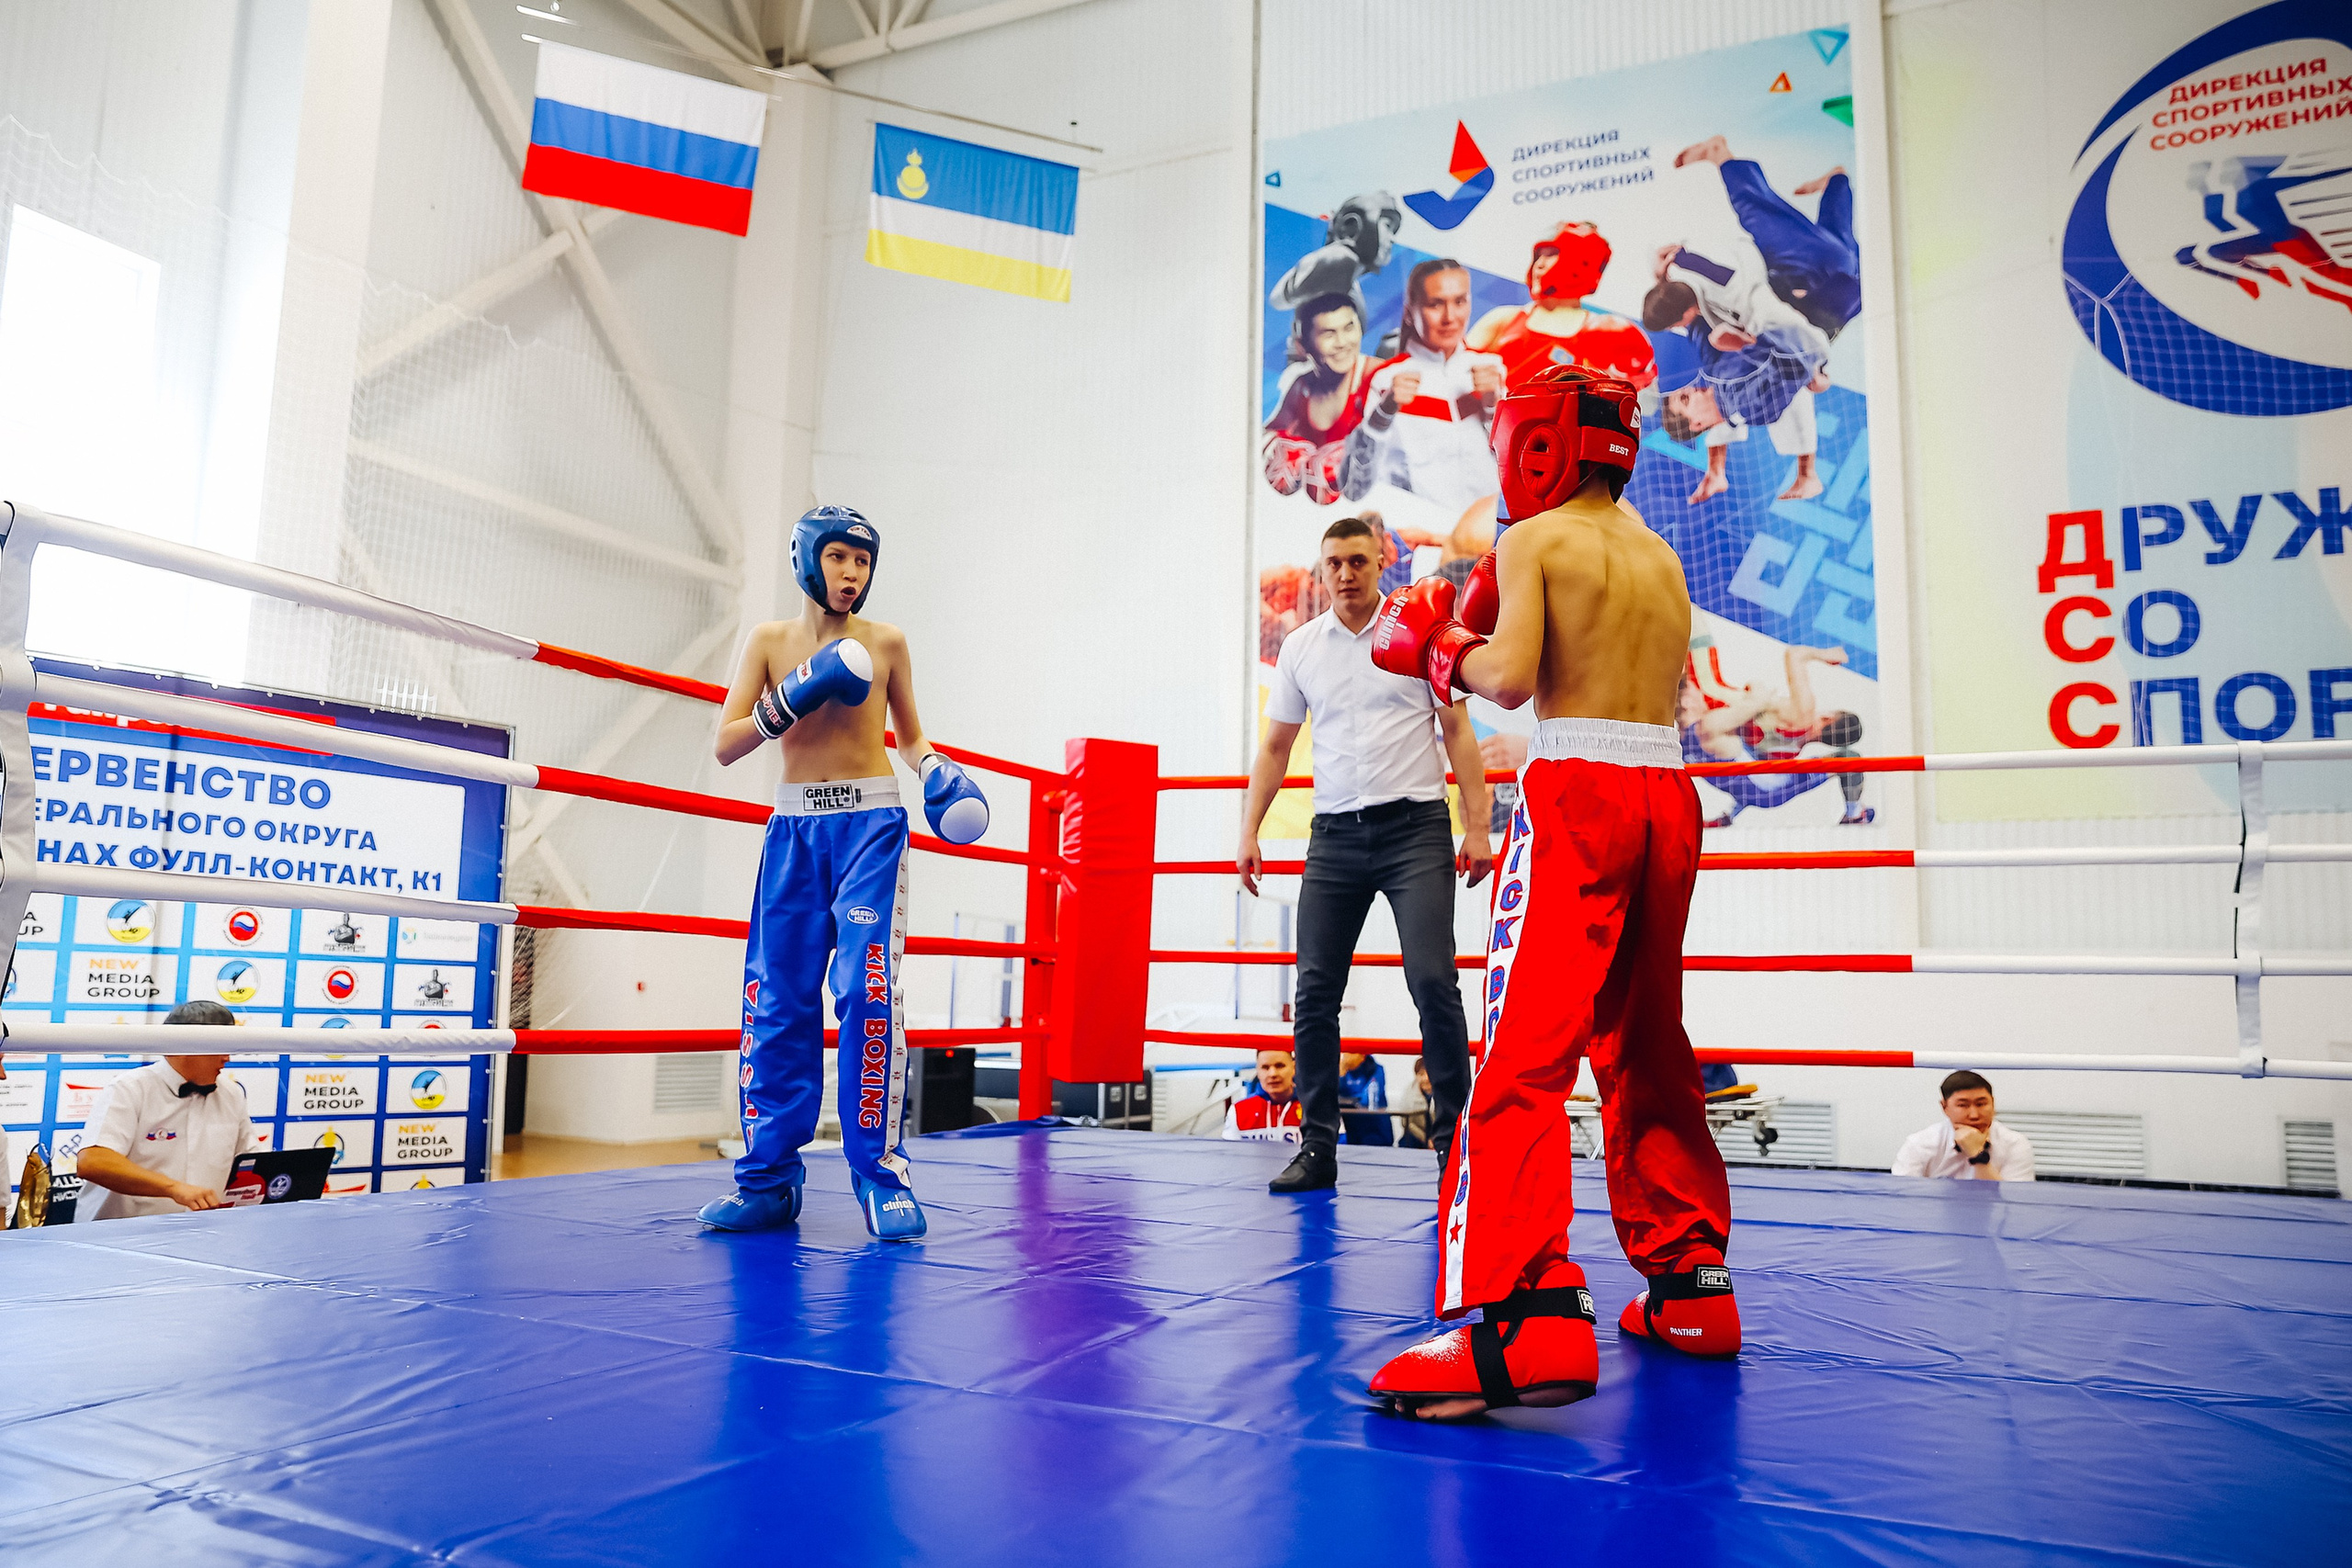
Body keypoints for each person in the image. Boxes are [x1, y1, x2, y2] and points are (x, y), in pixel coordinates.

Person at [1365, 363, 1737, 1420]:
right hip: (1666, 791)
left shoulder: (1531, 540)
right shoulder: (1658, 554)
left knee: (1524, 1055)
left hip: (1577, 788)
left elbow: (1510, 678)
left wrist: (1434, 646)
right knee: (1645, 1039)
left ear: (1534, 444)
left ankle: (1521, 1320)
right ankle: (1689, 1285)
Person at [699, 505, 990, 1243]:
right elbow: (726, 744)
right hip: (795, 830)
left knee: (867, 989)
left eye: (863, 561)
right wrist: (790, 695)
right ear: (806, 558)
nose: (851, 574)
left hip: (870, 826)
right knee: (777, 1000)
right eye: (839, 557)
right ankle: (767, 1181)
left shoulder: (887, 642)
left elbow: (912, 734)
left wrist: (936, 771)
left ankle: (880, 1175)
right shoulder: (768, 641)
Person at [1239, 515, 1491, 1196]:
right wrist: (1249, 830)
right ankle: (1317, 1146)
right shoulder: (1300, 648)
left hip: (1416, 832)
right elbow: (1273, 749)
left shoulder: (1420, 636)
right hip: (1336, 836)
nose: (1346, 573)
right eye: (1334, 563)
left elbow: (1458, 731)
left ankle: (1454, 1146)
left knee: (1435, 982)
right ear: (1320, 572)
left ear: (1382, 562)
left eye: (1358, 560)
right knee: (1314, 992)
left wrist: (1477, 826)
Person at [74, 999, 263, 1221]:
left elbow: (251, 1162)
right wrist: (173, 1188)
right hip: (119, 1239)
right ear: (182, 1047)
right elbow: (93, 1162)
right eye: (219, 1047)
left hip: (203, 1235)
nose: (227, 1058)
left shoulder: (231, 1094)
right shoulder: (129, 1088)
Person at [1344, 259, 1508, 513]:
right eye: (1435, 304)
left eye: (1459, 302)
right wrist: (1384, 413)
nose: (1449, 318)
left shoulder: (1493, 369)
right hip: (1415, 532)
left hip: (1486, 532)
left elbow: (1514, 465)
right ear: (1410, 312)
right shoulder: (1385, 379)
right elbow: (1356, 486)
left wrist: (1493, 408)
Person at [1672, 136, 1860, 340]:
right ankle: (1717, 153)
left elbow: (1854, 289)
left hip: (1845, 264)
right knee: (1756, 210)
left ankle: (1837, 181)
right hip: (1811, 267)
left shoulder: (1800, 345)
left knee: (1836, 236)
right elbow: (1728, 279)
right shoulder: (1777, 327)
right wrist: (1681, 257)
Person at [1679, 642, 1872, 827]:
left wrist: (1826, 655)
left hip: (1752, 781)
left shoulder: (1803, 712)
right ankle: (1854, 813)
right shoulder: (1793, 750)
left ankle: (1729, 815)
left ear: (1829, 717)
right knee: (1848, 759)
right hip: (1764, 790)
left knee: (1847, 759)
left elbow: (1794, 654)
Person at [1654, 319, 1832, 505]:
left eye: (1684, 391)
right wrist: (1744, 343)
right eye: (1685, 398)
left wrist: (1674, 313)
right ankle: (1807, 476)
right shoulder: (1746, 405)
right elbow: (1795, 366)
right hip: (1809, 323)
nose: (1690, 389)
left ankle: (1717, 474)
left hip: (1780, 314)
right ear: (1697, 423)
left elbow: (1699, 330)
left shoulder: (1716, 377)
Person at [1466, 222, 1656, 390]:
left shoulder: (1614, 332)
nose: (1539, 265)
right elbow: (1451, 374)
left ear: (1580, 262)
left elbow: (1644, 408)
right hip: (1501, 427)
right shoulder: (1503, 319)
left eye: (1551, 255)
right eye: (1538, 256)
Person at [1263, 294, 1379, 505]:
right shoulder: (1302, 386)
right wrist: (1277, 452)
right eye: (1329, 334)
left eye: (1349, 328)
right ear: (1302, 347)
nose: (1342, 343)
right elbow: (1269, 433)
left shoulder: (1380, 378)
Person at [1894, 1071, 2037, 1182]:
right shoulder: (1920, 1144)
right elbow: (1903, 1198)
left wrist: (1977, 1155)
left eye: (1981, 1104)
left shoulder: (2015, 1144)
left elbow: (2013, 1205)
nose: (1974, 1115)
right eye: (1963, 1105)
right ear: (1945, 1107)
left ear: (1993, 1103)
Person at [1222, 1048, 1306, 1145]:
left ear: (1294, 1068)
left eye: (1280, 1066)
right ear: (1258, 1071)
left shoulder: (1313, 1108)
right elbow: (1230, 1155)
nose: (1273, 1074)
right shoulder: (1238, 1111)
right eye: (1265, 1067)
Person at [1337, 1052, 1393, 1146]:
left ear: (1362, 1056)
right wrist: (1341, 1074)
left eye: (1351, 1053)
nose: (1345, 1056)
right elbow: (1332, 1096)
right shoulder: (1343, 1071)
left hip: (1374, 1129)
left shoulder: (1376, 1070)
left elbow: (1367, 1100)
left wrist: (1350, 1100)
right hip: (1350, 1128)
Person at [1396, 1057, 1437, 1150]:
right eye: (1421, 1074)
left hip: (1439, 1136)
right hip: (1419, 1136)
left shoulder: (1443, 1092)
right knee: (1406, 1140)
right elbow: (1408, 1124)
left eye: (1428, 1073)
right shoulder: (1410, 1093)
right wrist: (1426, 1140)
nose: (1425, 1078)